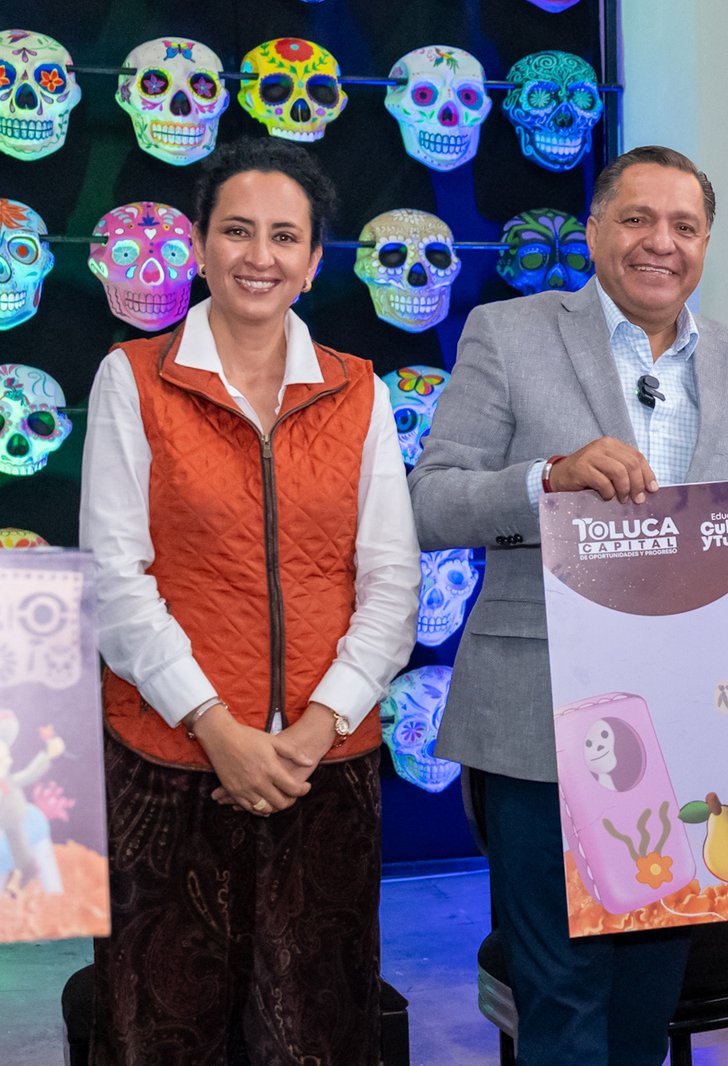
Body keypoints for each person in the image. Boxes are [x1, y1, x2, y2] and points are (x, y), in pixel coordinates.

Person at [409, 144, 728, 1065]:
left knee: (645, 1005)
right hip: (538, 719)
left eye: (685, 226)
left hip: (687, 728)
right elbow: (430, 503)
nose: (662, 242)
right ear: (593, 230)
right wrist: (547, 478)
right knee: (563, 1000)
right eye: (637, 218)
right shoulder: (510, 333)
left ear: (706, 245)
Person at [79, 138, 420, 1065]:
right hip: (169, 764)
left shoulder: (357, 390)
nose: (258, 255)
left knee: (317, 1031)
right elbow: (115, 579)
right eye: (236, 231)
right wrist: (216, 727)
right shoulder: (134, 378)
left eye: (284, 236)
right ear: (199, 246)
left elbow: (392, 581)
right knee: (166, 1030)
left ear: (313, 262)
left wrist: (315, 727)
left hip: (326, 769)